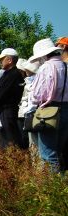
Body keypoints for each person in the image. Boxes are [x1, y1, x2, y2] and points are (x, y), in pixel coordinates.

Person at [30, 38, 67, 172]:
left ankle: (53, 187)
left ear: (44, 55)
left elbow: (38, 95)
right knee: (59, 150)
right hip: (66, 109)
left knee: (48, 153)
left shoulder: (46, 67)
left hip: (50, 111)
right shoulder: (65, 66)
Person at [0, 48, 25, 148]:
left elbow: (2, 94)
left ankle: (15, 161)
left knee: (10, 140)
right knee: (4, 139)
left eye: (2, 59)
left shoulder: (14, 74)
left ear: (9, 60)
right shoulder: (8, 74)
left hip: (7, 111)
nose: (0, 61)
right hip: (2, 111)